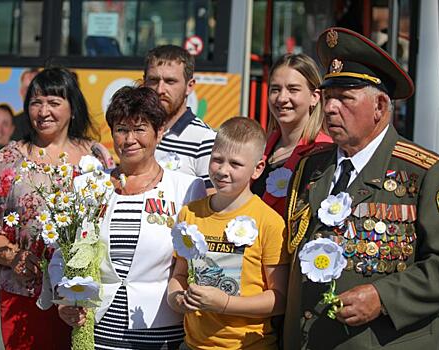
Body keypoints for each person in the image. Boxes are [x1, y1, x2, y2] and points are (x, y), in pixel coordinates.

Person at [282, 27, 439, 349]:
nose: (330, 108)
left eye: (344, 98)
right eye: (328, 98)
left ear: (380, 106)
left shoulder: (427, 173)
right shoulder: (311, 167)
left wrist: (383, 297)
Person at [0, 67, 114, 350]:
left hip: (82, 294)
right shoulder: (9, 158)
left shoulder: (96, 156)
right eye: (36, 102)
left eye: (54, 103)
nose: (43, 111)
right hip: (26, 296)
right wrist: (13, 257)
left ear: (72, 108)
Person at [51, 86, 207, 349]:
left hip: (162, 332)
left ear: (159, 132)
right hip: (96, 331)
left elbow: (196, 264)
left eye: (140, 128)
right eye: (122, 129)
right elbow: (60, 256)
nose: (130, 139)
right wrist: (64, 298)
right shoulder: (87, 186)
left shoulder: (187, 189)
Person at [168, 117, 290, 349]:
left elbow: (280, 298)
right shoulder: (190, 213)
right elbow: (179, 275)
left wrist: (225, 303)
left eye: (235, 164)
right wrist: (177, 299)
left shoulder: (270, 222)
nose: (223, 170)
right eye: (217, 160)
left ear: (258, 169)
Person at [251, 53, 332, 216]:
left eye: (293, 89)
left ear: (314, 97)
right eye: (275, 89)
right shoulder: (261, 147)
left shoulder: (324, 151)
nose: (281, 98)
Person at [143, 45, 217, 192]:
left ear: (189, 86)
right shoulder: (136, 133)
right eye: (153, 80)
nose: (160, 90)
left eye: (170, 81)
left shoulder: (206, 140)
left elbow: (212, 205)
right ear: (144, 81)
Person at [11, 68, 39, 141]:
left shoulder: (52, 121)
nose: (31, 93)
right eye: (27, 88)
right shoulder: (12, 123)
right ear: (21, 92)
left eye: (35, 88)